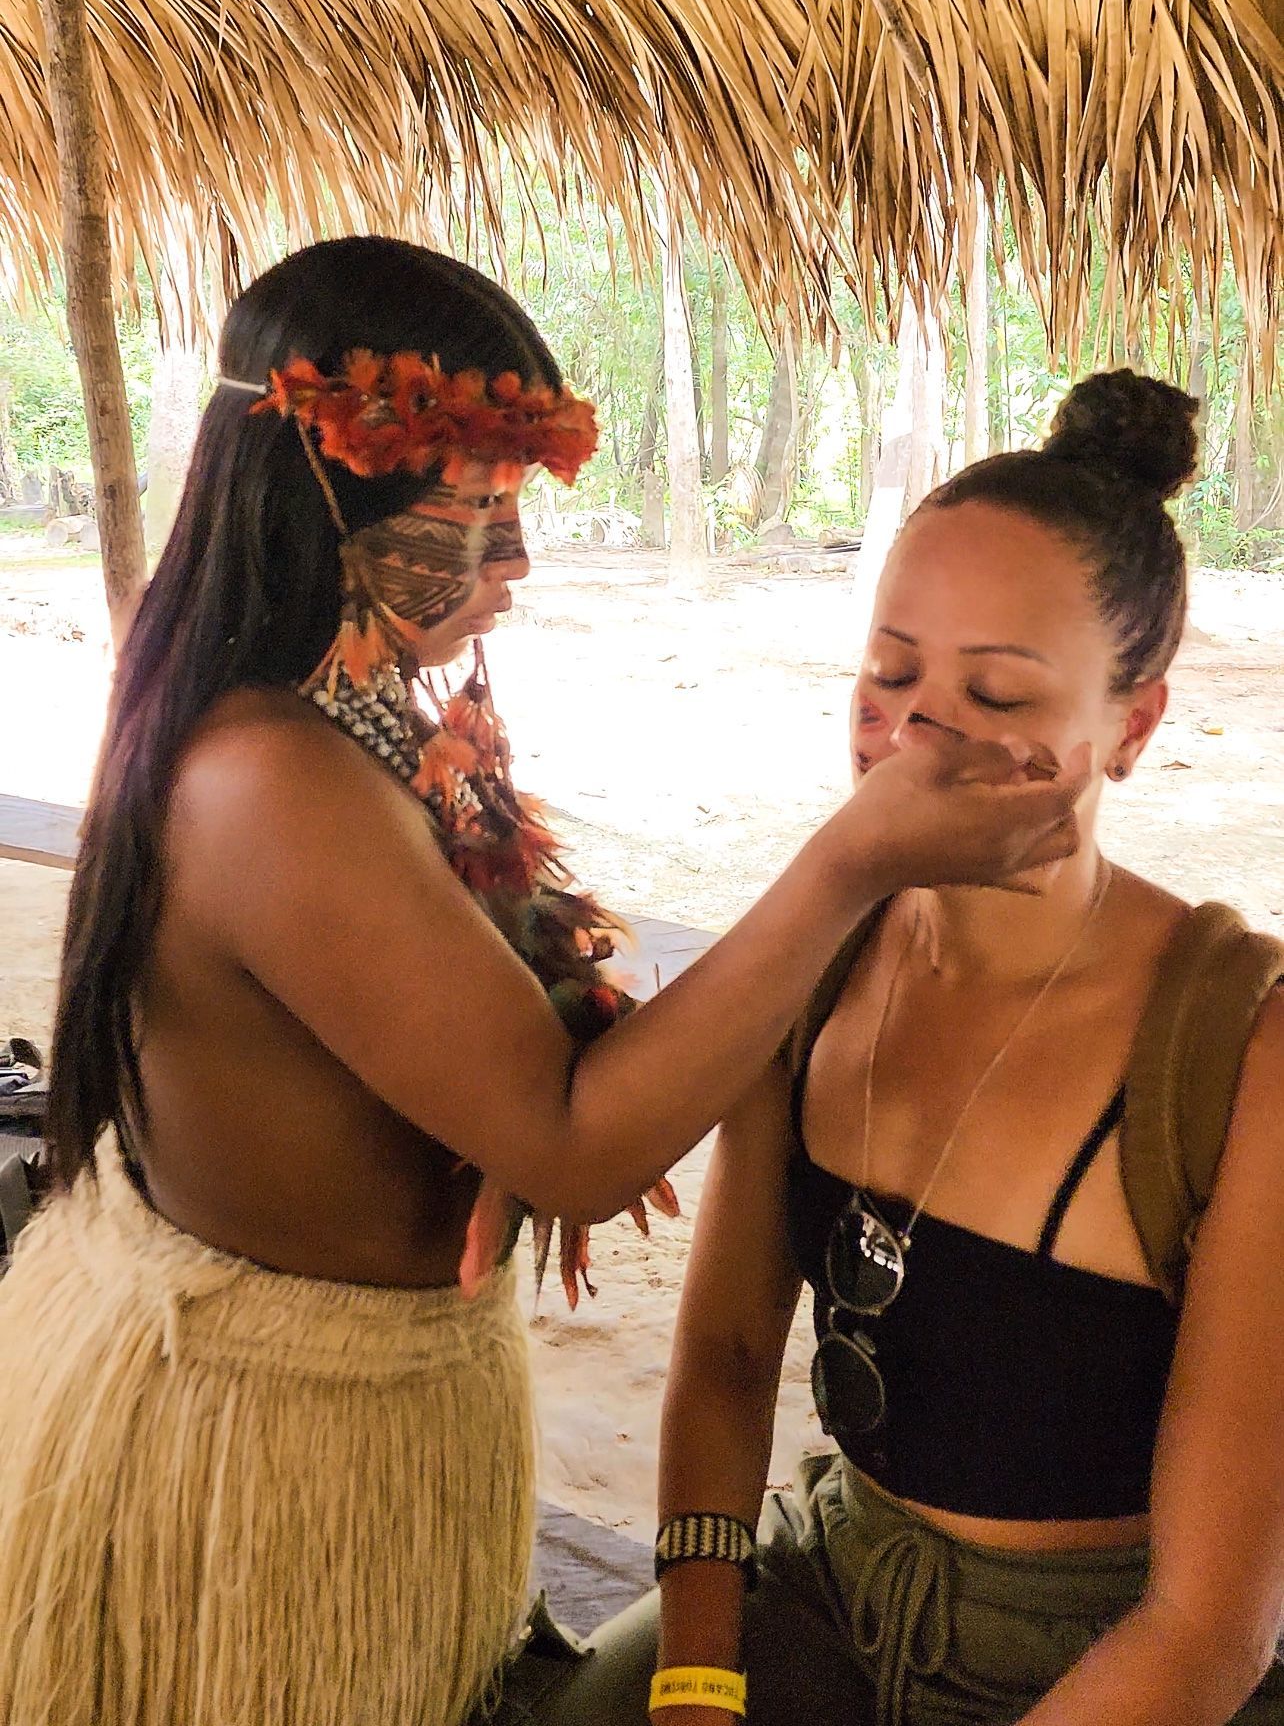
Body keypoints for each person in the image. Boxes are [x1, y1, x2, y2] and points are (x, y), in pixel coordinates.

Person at [0, 237, 1085, 1726]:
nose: (514, 566)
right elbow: (579, 1149)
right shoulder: (265, 778)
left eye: (518, 512)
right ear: (322, 497)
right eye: (475, 518)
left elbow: (499, 1046)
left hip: (356, 1403)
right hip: (260, 1433)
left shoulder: (349, 705)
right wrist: (850, 864)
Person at [539, 369, 1284, 1726]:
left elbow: (1207, 1631)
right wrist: (701, 1678)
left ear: (1135, 724)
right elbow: (719, 1359)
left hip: (1112, 1663)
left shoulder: (1238, 1048)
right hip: (832, 1584)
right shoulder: (814, 959)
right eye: (890, 676)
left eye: (997, 693)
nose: (922, 732)